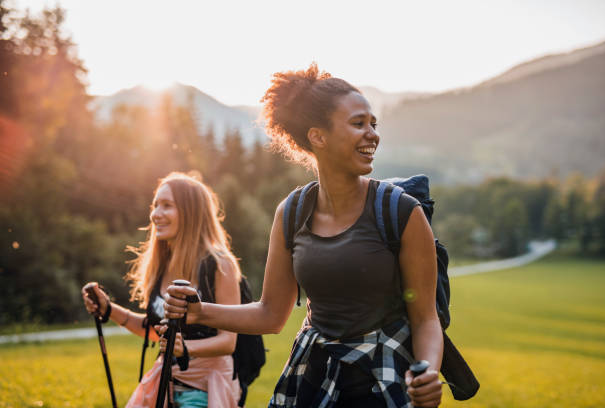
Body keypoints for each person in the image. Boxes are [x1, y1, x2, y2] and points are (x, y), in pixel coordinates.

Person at [164, 64, 443, 407]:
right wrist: (199, 312)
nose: (372, 134)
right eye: (358, 124)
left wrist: (427, 372)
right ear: (318, 137)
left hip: (383, 379)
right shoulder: (292, 213)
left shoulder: (402, 212)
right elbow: (270, 313)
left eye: (373, 123)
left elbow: (426, 317)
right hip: (315, 376)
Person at [81, 172, 242, 408]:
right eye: (155, 205)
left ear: (191, 213)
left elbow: (228, 341)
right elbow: (155, 330)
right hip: (164, 380)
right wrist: (108, 309)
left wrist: (186, 348)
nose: (156, 214)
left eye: (167, 206)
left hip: (206, 387)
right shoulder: (161, 265)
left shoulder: (219, 265)